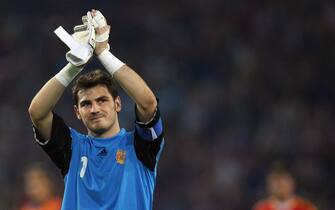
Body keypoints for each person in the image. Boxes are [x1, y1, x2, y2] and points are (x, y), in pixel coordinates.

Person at [28, 9, 164, 210]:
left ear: (117, 104)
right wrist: (74, 66)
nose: (94, 109)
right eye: (86, 104)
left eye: (102, 101)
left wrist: (102, 52)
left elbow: (148, 103)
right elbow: (37, 112)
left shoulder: (141, 146)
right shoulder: (72, 147)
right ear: (77, 112)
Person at [252, 163, 317, 210]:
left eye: (284, 179)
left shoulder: (305, 208)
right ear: (268, 184)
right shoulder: (261, 208)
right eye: (275, 179)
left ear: (293, 182)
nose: (280, 184)